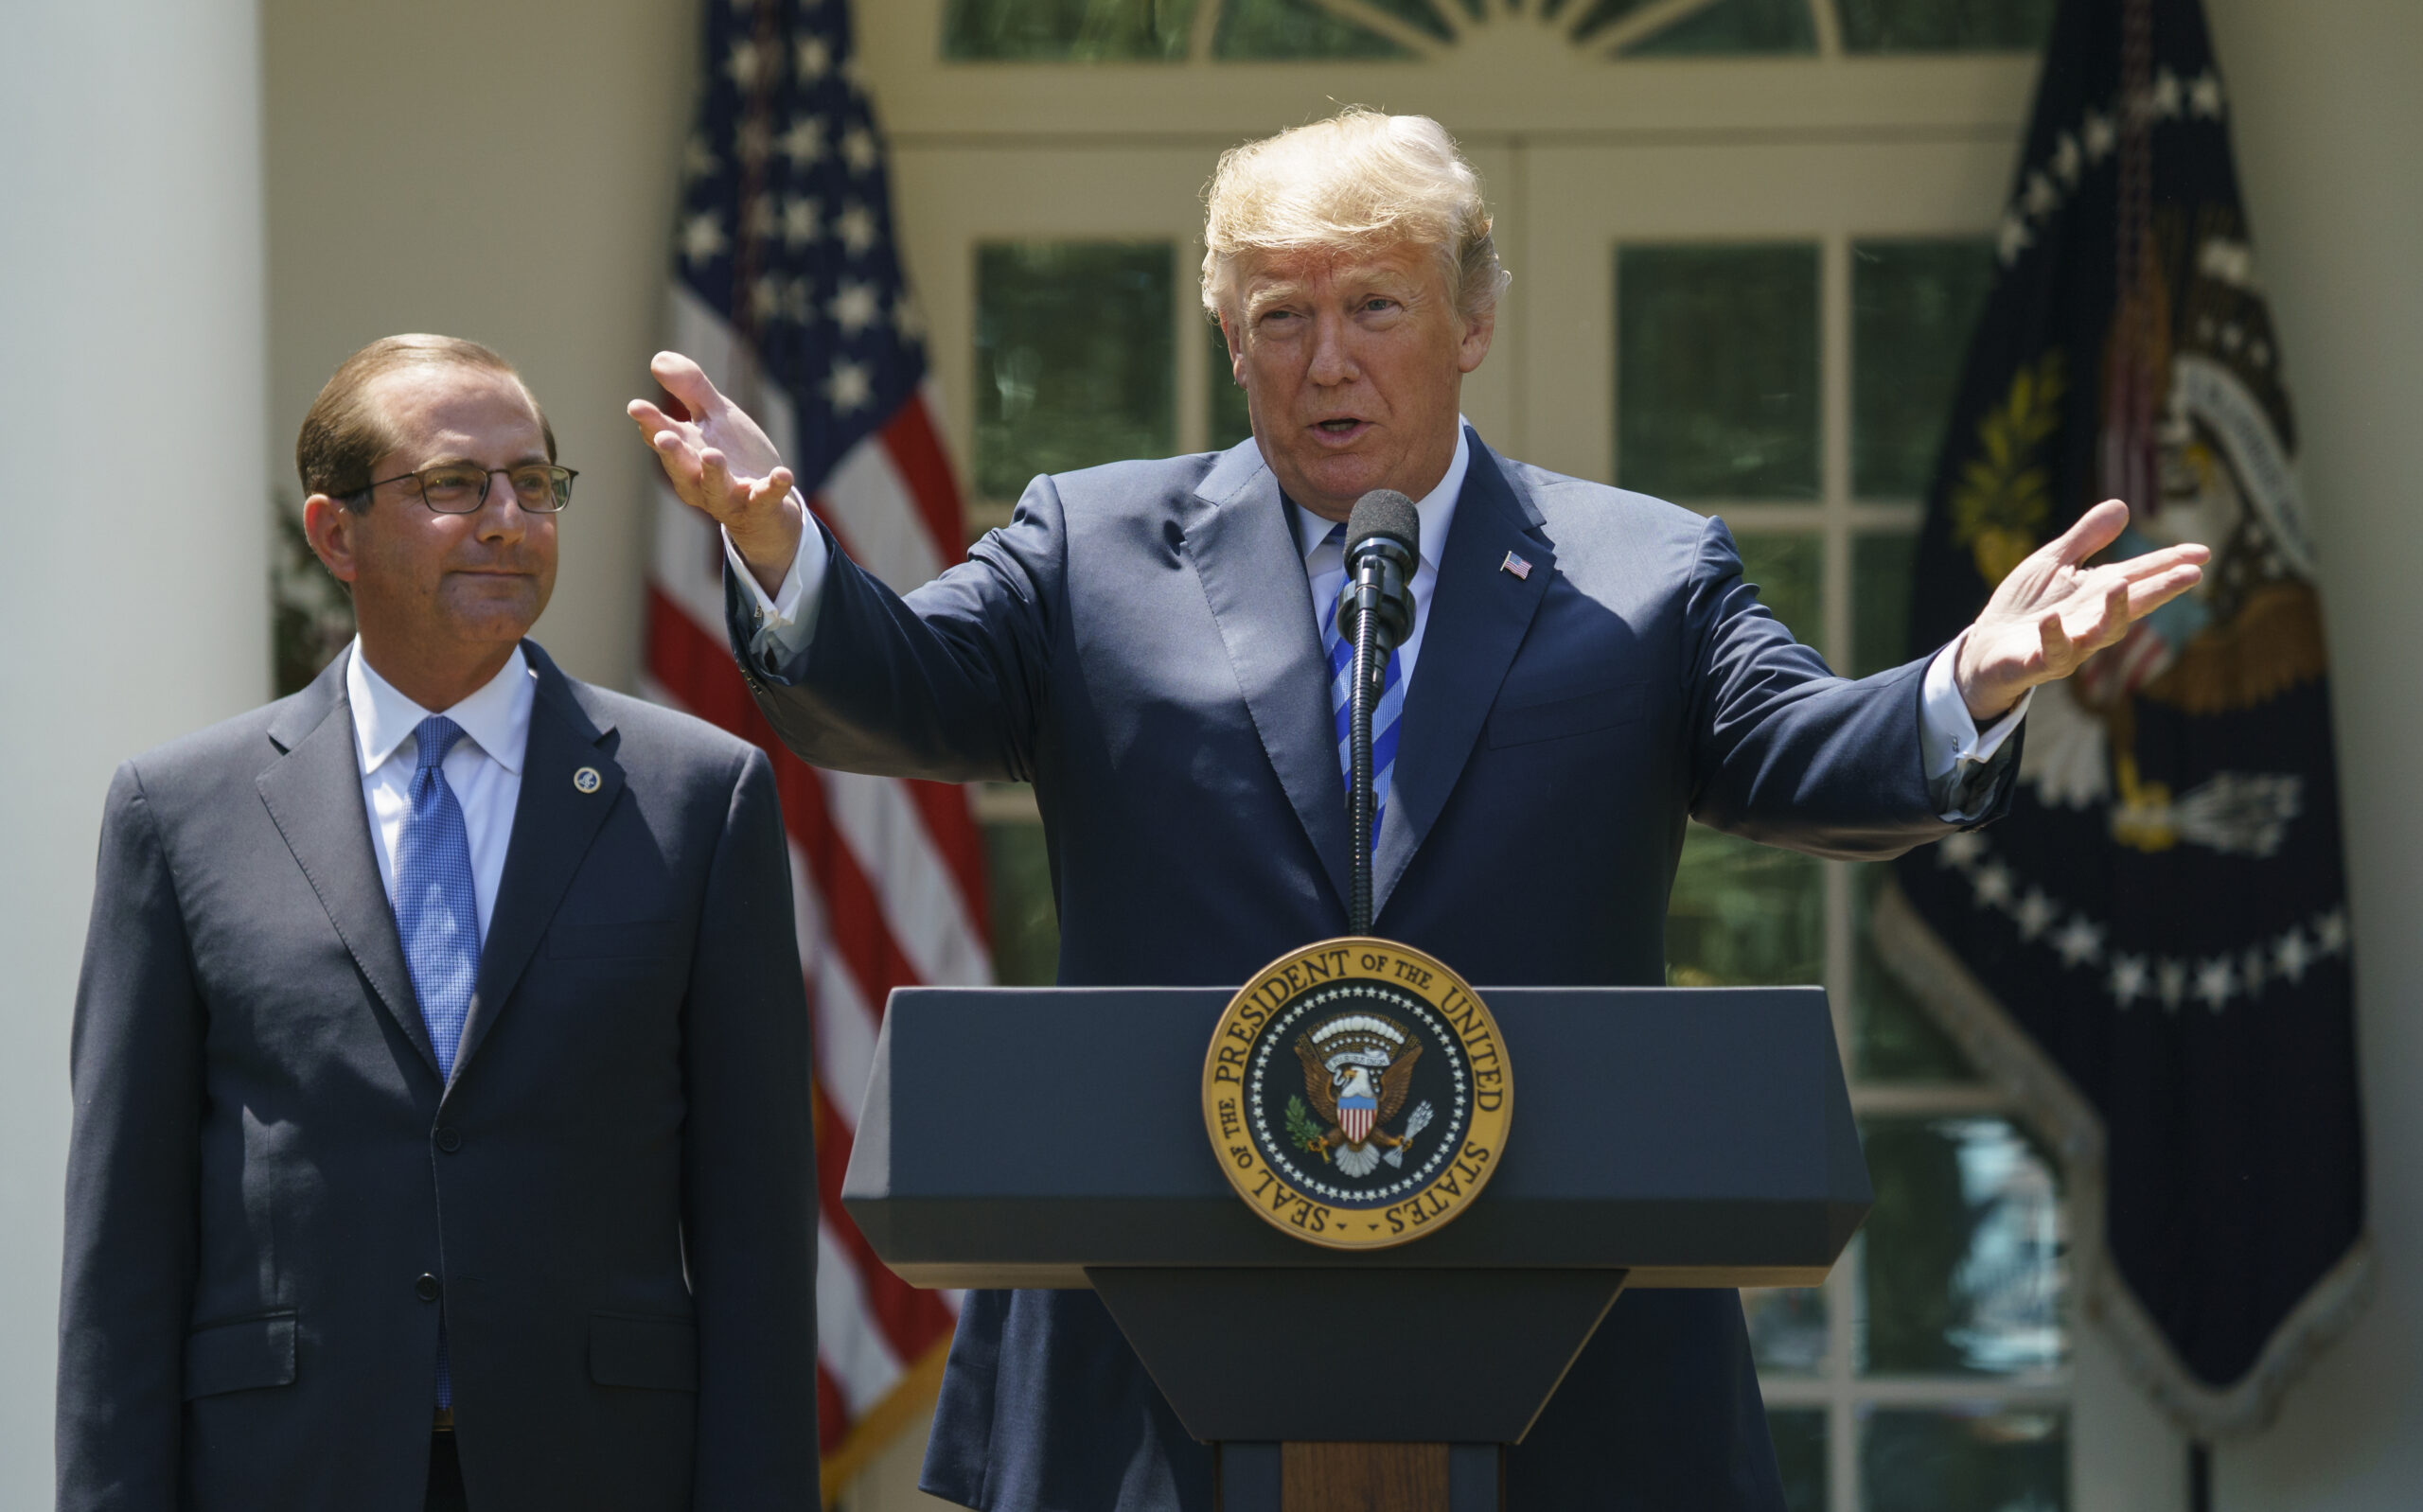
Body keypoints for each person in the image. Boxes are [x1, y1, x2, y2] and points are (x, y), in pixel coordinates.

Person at [633, 110, 2205, 1511]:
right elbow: (900, 685)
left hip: (1564, 1350)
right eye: (1282, 316)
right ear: (1230, 342)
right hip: (1153, 1357)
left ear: (1472, 321)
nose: (1328, 360)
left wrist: (1967, 685)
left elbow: (1801, 748)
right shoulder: (1090, 550)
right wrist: (785, 556)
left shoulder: (1642, 573)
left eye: (1376, 306)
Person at [59, 335, 821, 1512]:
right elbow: (125, 1246)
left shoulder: (697, 798)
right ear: (336, 534)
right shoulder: (180, 812)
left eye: (534, 483)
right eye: (455, 484)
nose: (508, 520)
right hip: (286, 1469)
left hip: (599, 1468)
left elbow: (756, 1234)